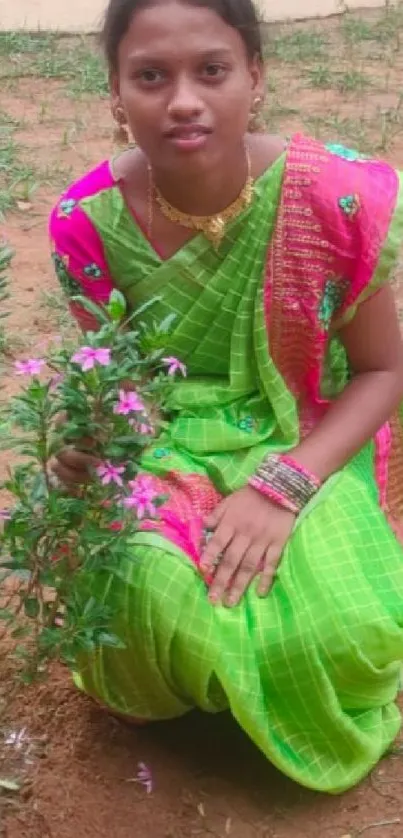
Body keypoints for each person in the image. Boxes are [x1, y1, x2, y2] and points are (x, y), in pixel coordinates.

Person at [49, 0, 403, 795]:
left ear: (255, 76)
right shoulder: (87, 221)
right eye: (150, 75)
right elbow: (115, 384)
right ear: (114, 91)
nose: (182, 99)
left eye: (210, 69)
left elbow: (383, 371)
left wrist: (281, 490)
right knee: (139, 590)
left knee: (346, 631)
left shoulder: (334, 197)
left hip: (307, 432)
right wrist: (81, 444)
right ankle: (200, 678)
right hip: (166, 440)